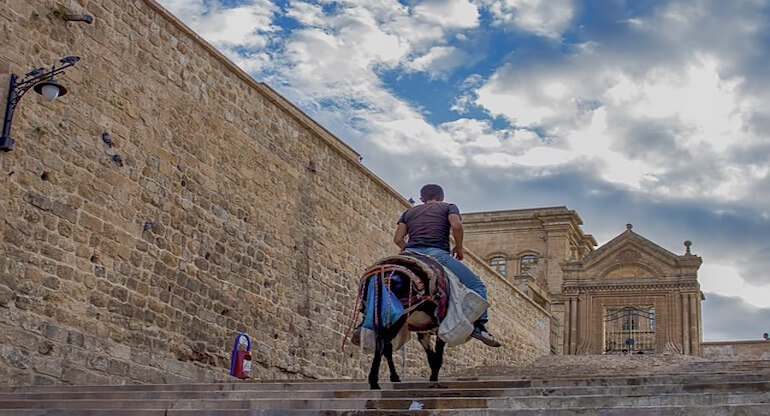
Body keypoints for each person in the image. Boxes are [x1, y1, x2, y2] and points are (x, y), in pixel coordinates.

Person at [393, 184, 501, 347]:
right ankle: (479, 326)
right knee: (477, 286)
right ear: (442, 197)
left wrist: (409, 251)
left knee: (382, 281)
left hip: (409, 254)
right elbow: (456, 226)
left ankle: (368, 322)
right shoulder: (449, 207)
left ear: (422, 199)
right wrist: (459, 247)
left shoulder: (408, 212)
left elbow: (398, 239)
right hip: (437, 254)